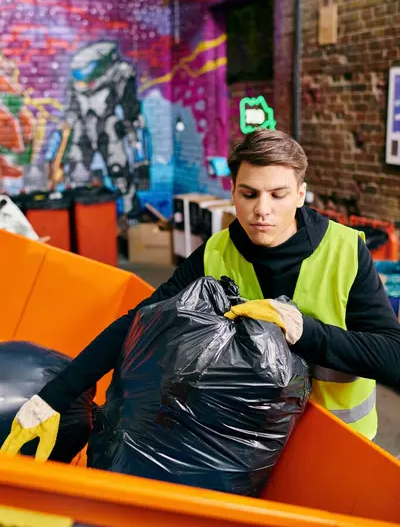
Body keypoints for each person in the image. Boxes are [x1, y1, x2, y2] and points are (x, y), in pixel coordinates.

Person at [2, 129, 400, 459]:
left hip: (335, 447)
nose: (263, 210)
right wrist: (52, 397)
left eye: (278, 195)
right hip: (249, 445)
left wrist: (307, 332)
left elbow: (393, 356)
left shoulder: (346, 252)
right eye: (249, 194)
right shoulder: (216, 253)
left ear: (300, 194)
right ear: (232, 193)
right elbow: (139, 323)